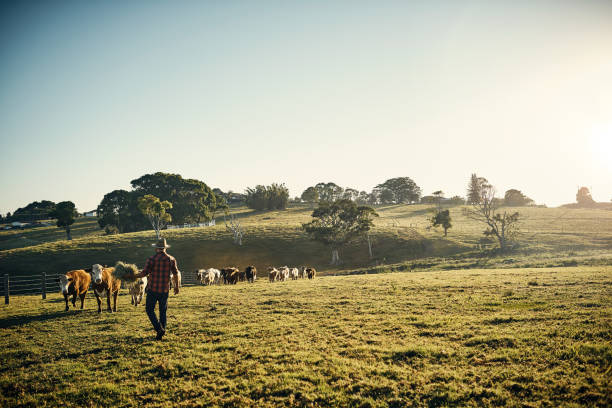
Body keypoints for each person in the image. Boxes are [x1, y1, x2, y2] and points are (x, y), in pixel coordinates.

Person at [135, 238, 180, 340]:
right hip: (164, 289)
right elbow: (176, 274)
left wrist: (133, 276)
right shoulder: (171, 259)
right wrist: (177, 287)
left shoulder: (151, 259)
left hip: (152, 289)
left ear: (156, 249)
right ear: (165, 248)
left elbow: (144, 273)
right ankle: (161, 331)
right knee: (162, 311)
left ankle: (159, 329)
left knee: (149, 310)